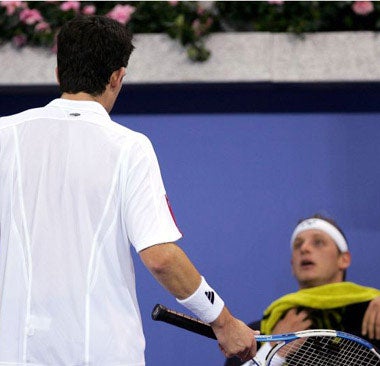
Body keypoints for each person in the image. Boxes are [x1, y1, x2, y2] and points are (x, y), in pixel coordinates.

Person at [0, 15, 258, 366]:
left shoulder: (4, 135)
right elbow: (162, 257)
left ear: (59, 73)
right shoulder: (129, 147)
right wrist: (224, 322)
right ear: (117, 77)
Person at [225, 213, 380, 366]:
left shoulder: (373, 319)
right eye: (298, 245)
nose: (304, 248)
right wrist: (274, 349)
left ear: (344, 259)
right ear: (293, 263)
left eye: (318, 242)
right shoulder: (257, 334)